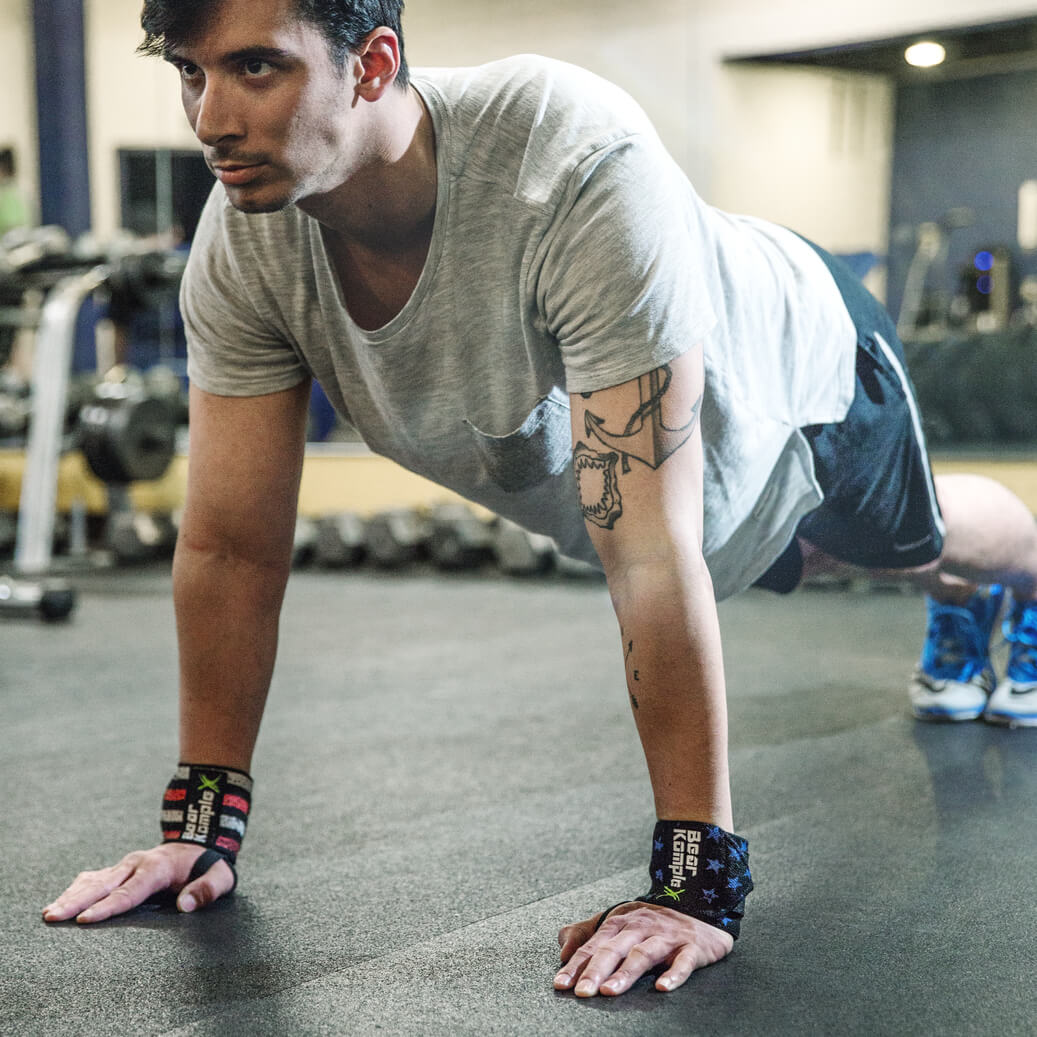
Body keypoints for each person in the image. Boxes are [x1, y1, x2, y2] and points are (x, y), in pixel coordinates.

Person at [42, 0, 1037, 1000]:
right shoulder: (247, 244)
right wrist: (200, 823)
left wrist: (694, 883)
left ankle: (1017, 582)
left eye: (257, 68)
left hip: (801, 373)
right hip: (683, 492)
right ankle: (946, 596)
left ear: (374, 63)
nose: (209, 117)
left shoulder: (566, 159)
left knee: (909, 546)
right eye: (188, 71)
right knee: (790, 560)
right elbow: (227, 545)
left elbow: (648, 553)